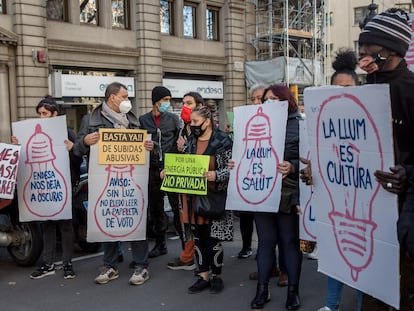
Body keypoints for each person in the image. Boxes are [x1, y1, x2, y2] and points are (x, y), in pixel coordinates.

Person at [357, 8, 414, 311]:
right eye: (361, 48)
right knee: (372, 296)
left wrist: (407, 173)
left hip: (404, 221)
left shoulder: (410, 91)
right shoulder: (364, 89)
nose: (363, 54)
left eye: (370, 49)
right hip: (369, 218)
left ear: (392, 49)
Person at [74, 82, 153, 285]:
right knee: (108, 217)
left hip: (131, 179)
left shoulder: (133, 120)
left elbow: (147, 146)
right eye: (125, 96)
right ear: (112, 98)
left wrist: (150, 146)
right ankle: (110, 266)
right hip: (105, 180)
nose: (128, 100)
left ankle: (141, 265)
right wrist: (84, 142)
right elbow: (76, 149)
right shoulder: (90, 119)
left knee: (133, 216)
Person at [312, 48, 363, 311]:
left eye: (348, 87)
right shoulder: (321, 119)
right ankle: (331, 305)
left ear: (358, 86)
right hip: (334, 200)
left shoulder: (369, 115)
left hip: (363, 200)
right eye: (337, 88)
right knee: (335, 254)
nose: (342, 92)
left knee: (366, 258)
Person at [12, 96, 80, 280]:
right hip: (44, 186)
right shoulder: (30, 135)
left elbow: (78, 159)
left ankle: (67, 264)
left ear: (55, 114)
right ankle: (48, 263)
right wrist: (18, 145)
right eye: (39, 114)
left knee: (65, 225)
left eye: (45, 113)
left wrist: (73, 149)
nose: (41, 117)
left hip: (63, 186)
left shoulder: (68, 133)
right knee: (47, 224)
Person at [250, 84, 302, 310]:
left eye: (274, 98)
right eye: (266, 99)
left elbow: (311, 161)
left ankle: (293, 292)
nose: (269, 102)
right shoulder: (255, 123)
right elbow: (245, 153)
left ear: (286, 100)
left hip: (287, 193)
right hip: (261, 190)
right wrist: (237, 162)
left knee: (290, 243)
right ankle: (262, 289)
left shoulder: (299, 126)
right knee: (265, 243)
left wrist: (293, 166)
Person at [178, 105, 233, 294]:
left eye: (195, 121)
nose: (191, 125)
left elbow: (232, 169)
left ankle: (216, 275)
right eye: (190, 122)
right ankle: (203, 275)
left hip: (213, 197)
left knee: (213, 238)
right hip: (192, 198)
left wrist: (215, 175)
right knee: (199, 238)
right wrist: (168, 172)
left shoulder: (223, 140)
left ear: (207, 121)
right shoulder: (190, 142)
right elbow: (182, 165)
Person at [139, 86, 181, 259]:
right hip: (152, 169)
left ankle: (186, 246)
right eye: (165, 100)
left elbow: (179, 142)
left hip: (170, 168)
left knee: (177, 208)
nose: (168, 103)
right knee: (156, 209)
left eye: (169, 100)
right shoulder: (143, 120)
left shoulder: (173, 119)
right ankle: (160, 244)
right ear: (156, 101)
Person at [167, 91, 204, 271]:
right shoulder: (183, 129)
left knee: (202, 221)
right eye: (183, 103)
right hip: (185, 182)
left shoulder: (206, 128)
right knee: (187, 220)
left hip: (202, 182)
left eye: (189, 103)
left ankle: (205, 261)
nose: (185, 107)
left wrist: (186, 148)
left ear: (199, 106)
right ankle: (188, 256)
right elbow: (176, 151)